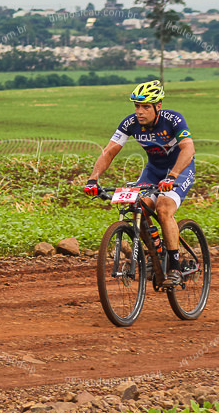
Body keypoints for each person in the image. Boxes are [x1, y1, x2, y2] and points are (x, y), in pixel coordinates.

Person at [84, 80, 196, 286]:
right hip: (153, 171)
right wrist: (93, 179)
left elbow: (188, 149)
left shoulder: (173, 119)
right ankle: (155, 255)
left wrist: (172, 177)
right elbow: (109, 151)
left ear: (158, 106)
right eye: (137, 106)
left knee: (163, 209)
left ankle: (174, 265)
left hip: (179, 169)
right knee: (137, 207)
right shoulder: (130, 123)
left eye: (145, 106)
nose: (140, 112)